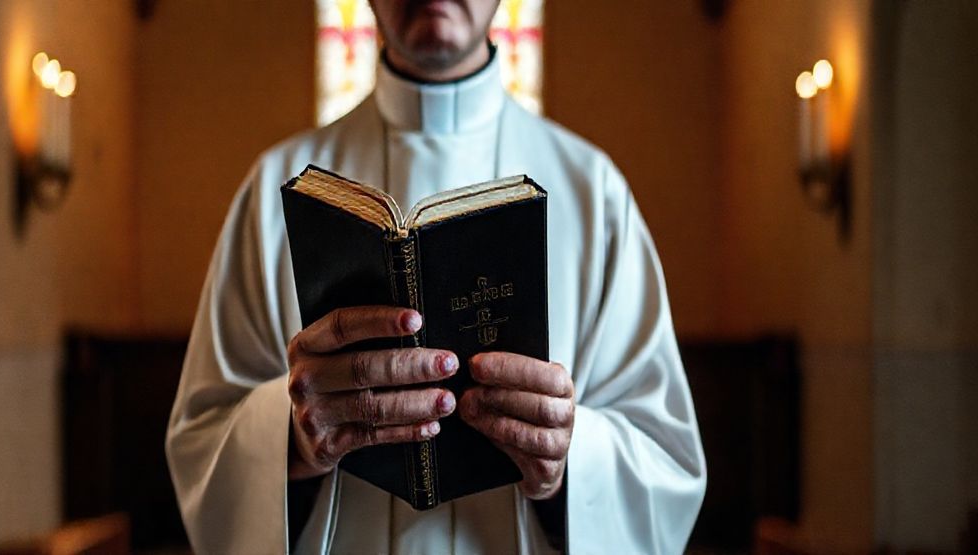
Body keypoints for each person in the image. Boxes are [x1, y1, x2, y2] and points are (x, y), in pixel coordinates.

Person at [165, 0, 706, 552]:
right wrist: (292, 437)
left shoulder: (594, 190)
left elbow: (663, 462)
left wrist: (570, 462)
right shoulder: (277, 191)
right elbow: (204, 443)